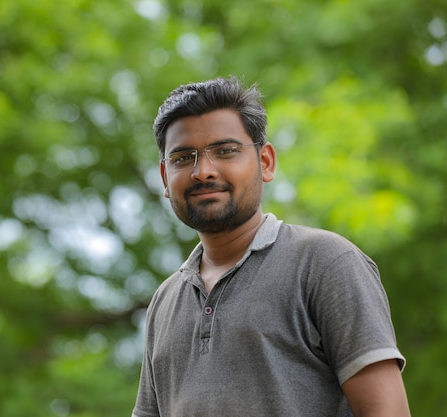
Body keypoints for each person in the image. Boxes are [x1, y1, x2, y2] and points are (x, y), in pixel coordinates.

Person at [132, 76, 410, 417]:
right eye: (183, 158)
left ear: (265, 162)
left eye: (225, 151)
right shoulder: (165, 301)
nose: (202, 171)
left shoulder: (325, 264)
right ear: (164, 178)